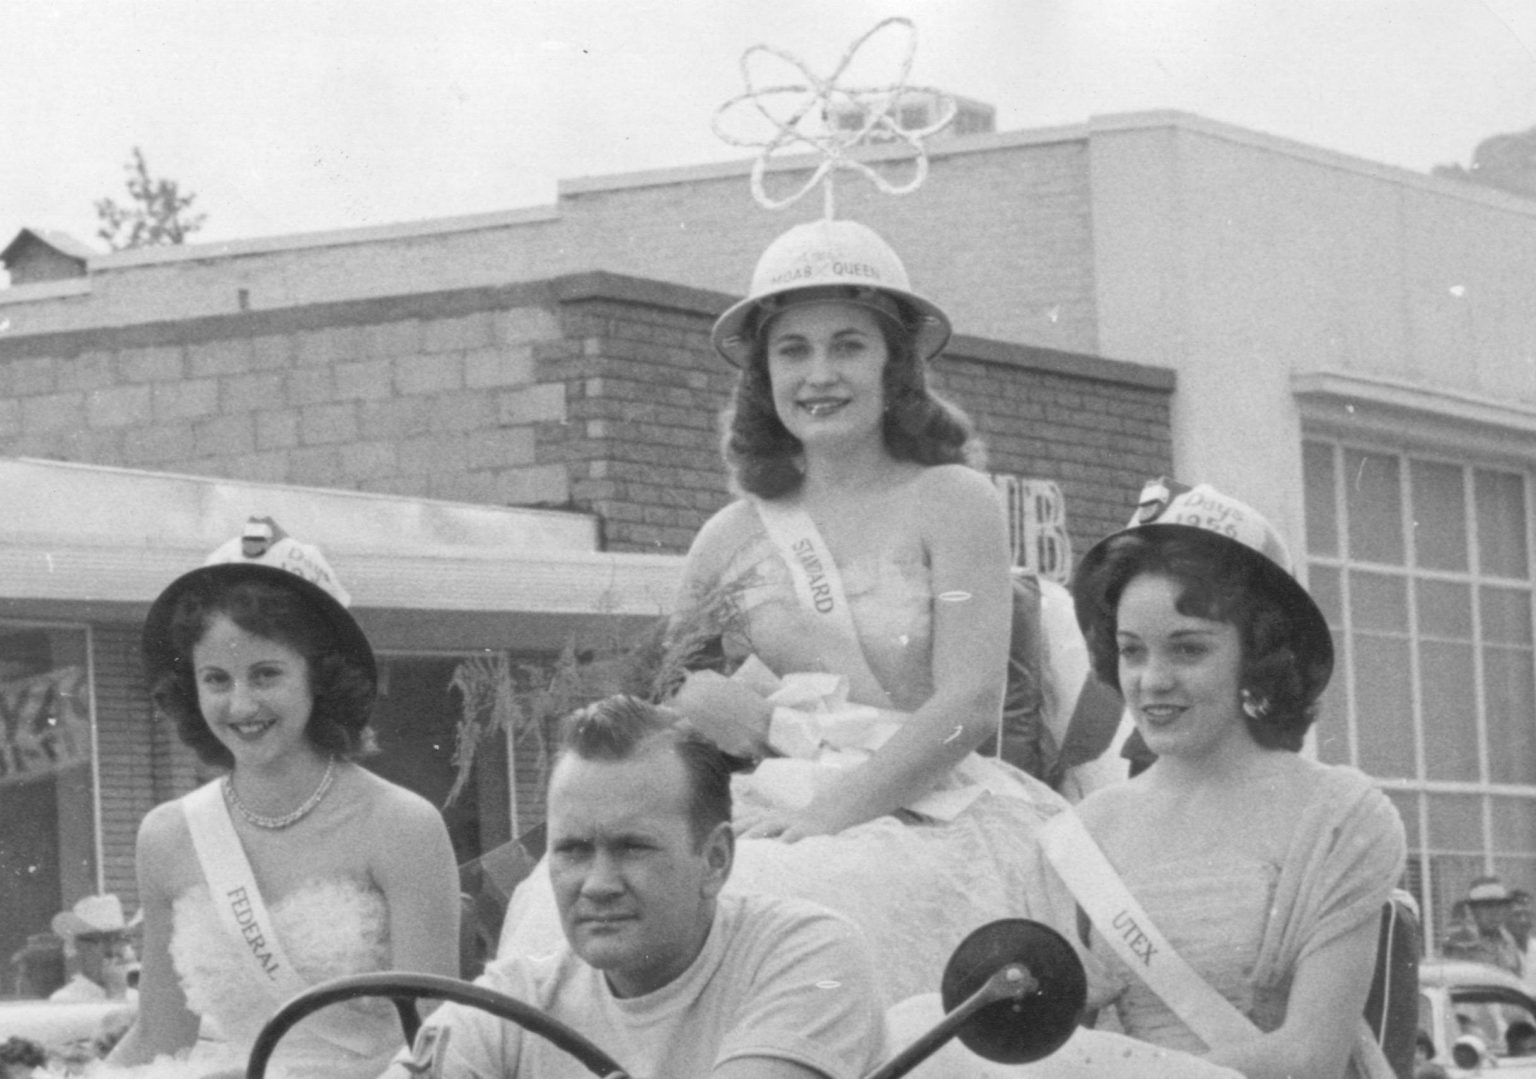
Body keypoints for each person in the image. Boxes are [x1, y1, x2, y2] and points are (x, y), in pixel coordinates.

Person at [500, 218, 1070, 1004]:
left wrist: (835, 812)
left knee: (811, 911)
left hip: (928, 808)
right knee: (575, 907)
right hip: (766, 803)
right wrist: (709, 712)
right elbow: (664, 712)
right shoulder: (728, 536)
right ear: (763, 372)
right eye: (792, 349)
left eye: (848, 345)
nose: (819, 374)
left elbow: (967, 707)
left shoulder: (953, 500)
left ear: (894, 363)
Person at [1042, 478, 1407, 1079]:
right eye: (1132, 651)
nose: (1152, 680)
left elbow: (1309, 1056)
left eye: (1187, 651)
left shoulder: (1339, 817)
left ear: (1257, 652)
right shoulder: (1078, 834)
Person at [107, 517, 460, 1079]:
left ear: (318, 677)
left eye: (266, 674)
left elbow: (437, 1045)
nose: (242, 705)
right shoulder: (168, 836)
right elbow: (157, 1037)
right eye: (217, 679)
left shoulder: (401, 826)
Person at [393, 695, 888, 1079]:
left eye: (632, 847)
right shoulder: (514, 998)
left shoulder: (810, 957)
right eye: (572, 849)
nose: (597, 885)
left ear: (715, 860)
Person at [1443, 877, 1523, 975]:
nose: (1494, 912)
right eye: (1487, 906)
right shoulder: (1462, 942)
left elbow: (1516, 979)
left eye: (1499, 905)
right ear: (1473, 909)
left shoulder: (1508, 941)